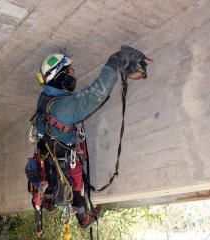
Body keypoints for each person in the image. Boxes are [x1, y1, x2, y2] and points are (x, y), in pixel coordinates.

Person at [28, 45, 148, 230]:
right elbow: (97, 92)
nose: (73, 73)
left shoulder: (45, 98)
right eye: (69, 70)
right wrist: (116, 59)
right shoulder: (65, 108)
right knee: (76, 182)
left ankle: (50, 202)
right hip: (63, 161)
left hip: (49, 158)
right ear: (61, 76)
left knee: (60, 178)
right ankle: (83, 218)